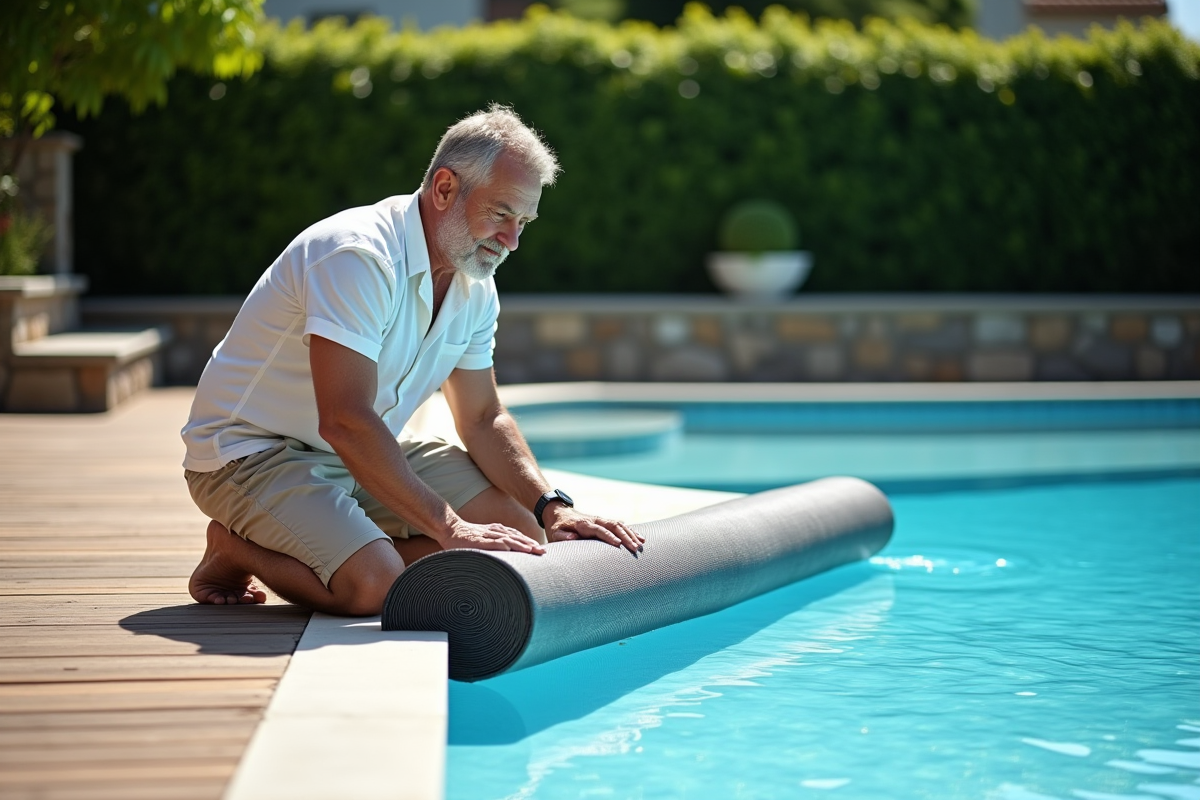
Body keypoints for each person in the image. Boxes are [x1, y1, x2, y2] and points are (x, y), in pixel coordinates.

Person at [181, 105, 642, 616]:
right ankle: (233, 546)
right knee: (375, 586)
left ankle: (343, 535)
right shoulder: (358, 256)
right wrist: (449, 527)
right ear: (444, 188)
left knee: (525, 540)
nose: (512, 241)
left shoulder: (475, 284)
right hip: (251, 454)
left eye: (523, 222)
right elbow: (345, 419)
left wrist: (553, 508)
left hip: (362, 450)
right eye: (500, 214)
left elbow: (482, 417)